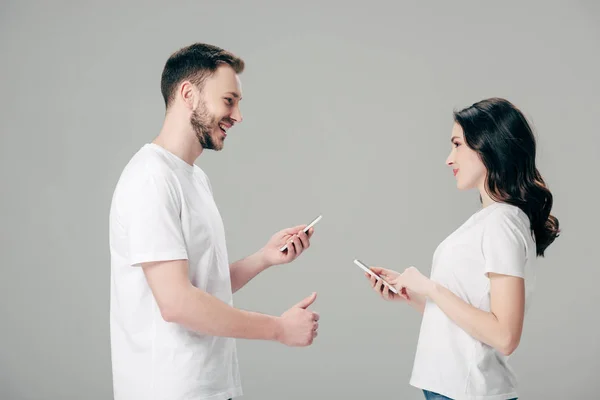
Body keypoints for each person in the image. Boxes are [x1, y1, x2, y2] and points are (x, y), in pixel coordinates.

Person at [108, 42, 320, 400]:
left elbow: (200, 287)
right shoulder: (152, 179)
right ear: (188, 94)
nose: (238, 115)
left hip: (210, 388)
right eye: (229, 100)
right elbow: (177, 302)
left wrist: (263, 258)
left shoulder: (194, 178)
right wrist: (279, 329)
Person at [365, 98, 560, 400]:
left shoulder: (502, 222)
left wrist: (430, 288)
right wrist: (412, 295)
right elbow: (471, 319)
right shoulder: (492, 220)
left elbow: (505, 336)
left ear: (487, 146)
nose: (448, 158)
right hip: (451, 390)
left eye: (457, 144)